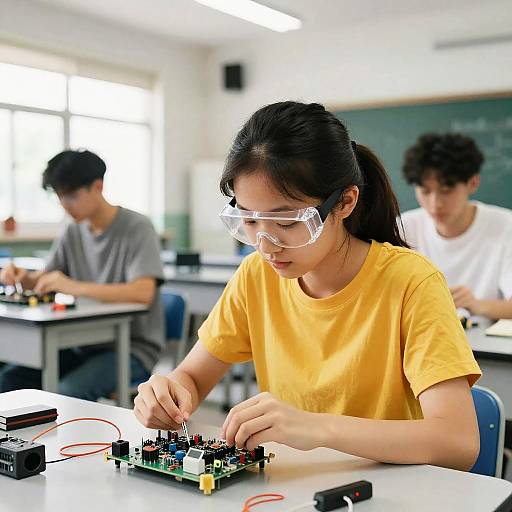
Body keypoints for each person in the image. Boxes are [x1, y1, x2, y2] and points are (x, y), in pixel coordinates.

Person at [134, 102, 480, 470]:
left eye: (286, 221)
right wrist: (169, 393)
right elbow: (191, 377)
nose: (265, 245)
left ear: (345, 201)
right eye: (249, 220)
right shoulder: (256, 275)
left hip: (392, 489)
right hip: (291, 485)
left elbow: (457, 442)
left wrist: (319, 429)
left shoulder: (411, 282)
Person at [0, 149, 165, 400]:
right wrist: (24, 277)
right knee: (10, 379)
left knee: (66, 393)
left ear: (97, 186)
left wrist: (71, 286)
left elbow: (143, 293)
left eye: (72, 196)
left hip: (130, 348)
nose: (66, 206)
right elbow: (49, 277)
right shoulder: (72, 230)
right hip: (80, 343)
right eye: (60, 198)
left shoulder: (137, 227)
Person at [401, 133, 512, 321]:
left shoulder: (506, 226)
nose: (435, 203)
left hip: (485, 346)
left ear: (473, 183)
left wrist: (476, 305)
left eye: (446, 190)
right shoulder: (403, 228)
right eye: (425, 191)